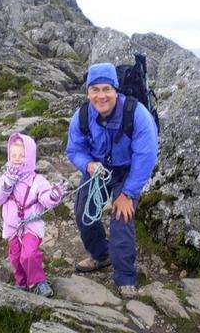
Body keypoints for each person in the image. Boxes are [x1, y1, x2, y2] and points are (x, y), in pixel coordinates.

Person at [66, 62, 158, 298]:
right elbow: (74, 149)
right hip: (98, 169)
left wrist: (128, 194)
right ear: (88, 92)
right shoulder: (82, 116)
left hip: (128, 171)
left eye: (106, 89)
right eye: (95, 90)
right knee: (83, 213)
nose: (101, 96)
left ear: (116, 90)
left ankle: (125, 277)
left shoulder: (137, 114)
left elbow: (146, 156)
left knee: (122, 217)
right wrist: (87, 164)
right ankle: (101, 255)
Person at [0, 132, 64, 297]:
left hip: (31, 226)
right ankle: (21, 283)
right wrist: (7, 184)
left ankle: (39, 282)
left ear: (30, 156)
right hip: (12, 228)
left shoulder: (37, 180)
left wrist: (53, 196)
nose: (17, 158)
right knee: (15, 257)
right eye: (13, 155)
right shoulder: (5, 178)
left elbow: (45, 198)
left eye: (22, 155)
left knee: (28, 254)